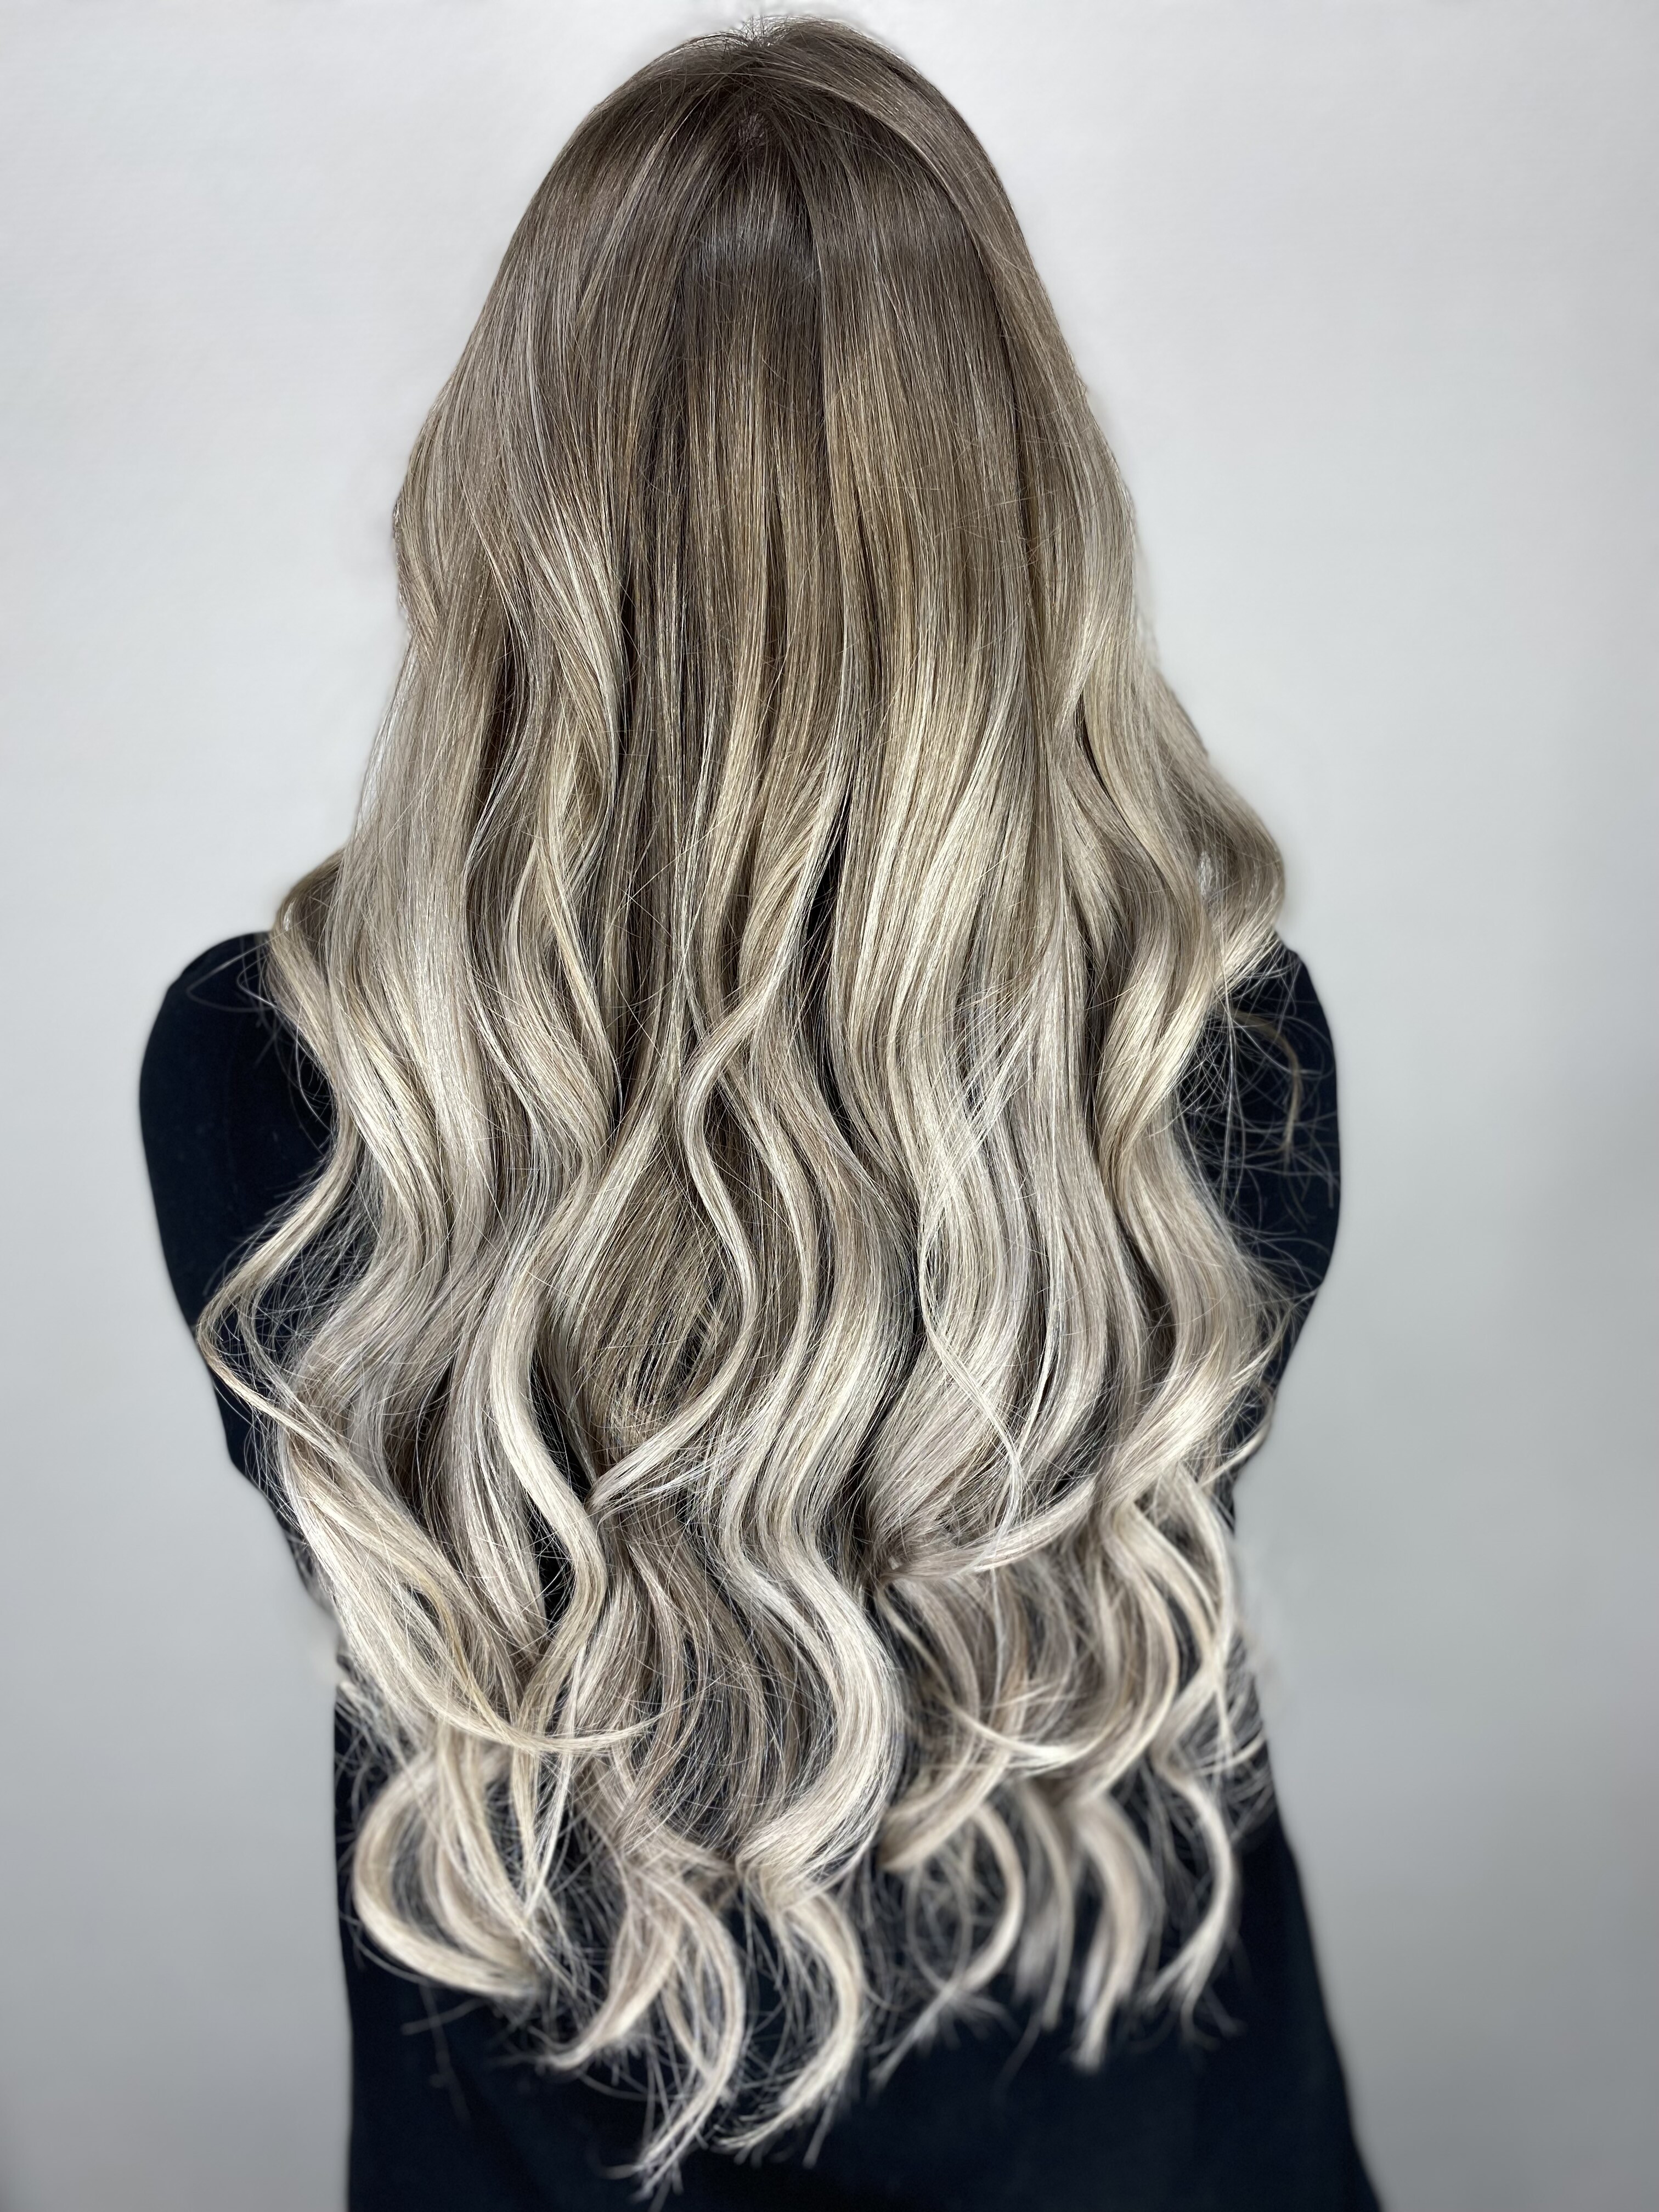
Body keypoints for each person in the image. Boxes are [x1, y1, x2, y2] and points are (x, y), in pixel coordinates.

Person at [140, 19, 1378, 2209]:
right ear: (1017, 503)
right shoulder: (1207, 1060)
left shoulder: (275, 1084)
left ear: (507, 499)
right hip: (1148, 2141)